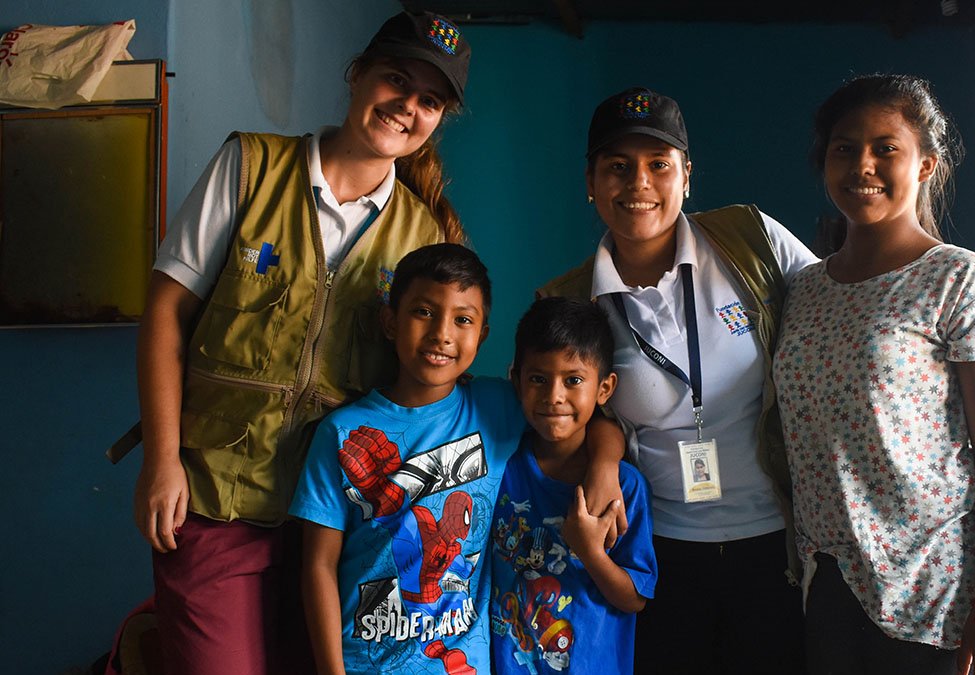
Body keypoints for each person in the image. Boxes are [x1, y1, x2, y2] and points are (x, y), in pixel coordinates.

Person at [131, 12, 474, 673]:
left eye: (429, 100)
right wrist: (163, 459)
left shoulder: (425, 238)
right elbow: (167, 313)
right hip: (216, 495)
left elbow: (423, 388)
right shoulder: (251, 167)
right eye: (395, 80)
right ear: (357, 75)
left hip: (337, 525)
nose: (407, 107)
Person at [538, 87, 818, 673]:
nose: (638, 183)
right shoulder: (567, 299)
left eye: (658, 165)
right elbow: (589, 414)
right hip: (661, 551)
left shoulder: (749, 239)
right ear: (590, 181)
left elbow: (830, 313)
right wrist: (603, 461)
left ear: (686, 177)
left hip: (776, 543)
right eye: (617, 167)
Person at [772, 74, 975, 675]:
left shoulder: (960, 280)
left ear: (925, 165)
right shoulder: (803, 290)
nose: (862, 165)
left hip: (936, 589)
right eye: (844, 148)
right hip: (830, 579)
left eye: (885, 147)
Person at [288, 245, 625, 675]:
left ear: (482, 334)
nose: (442, 334)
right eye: (424, 312)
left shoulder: (498, 406)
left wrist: (604, 466)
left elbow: (584, 416)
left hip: (462, 664)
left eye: (462, 319)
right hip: (363, 661)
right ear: (390, 321)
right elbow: (318, 565)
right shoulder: (339, 432)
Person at [490, 296, 657, 675]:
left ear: (604, 388)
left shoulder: (625, 488)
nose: (554, 396)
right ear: (515, 380)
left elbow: (635, 598)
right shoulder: (500, 469)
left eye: (574, 380)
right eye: (538, 379)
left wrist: (590, 552)